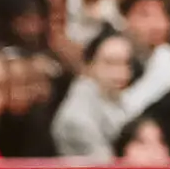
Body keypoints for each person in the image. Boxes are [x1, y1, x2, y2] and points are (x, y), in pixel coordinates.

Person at [53, 30, 136, 159]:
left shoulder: (115, 99)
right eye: (111, 63)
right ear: (88, 66)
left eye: (126, 63)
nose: (121, 72)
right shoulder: (77, 120)